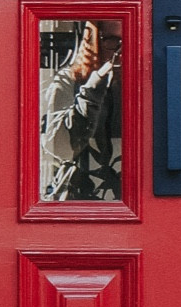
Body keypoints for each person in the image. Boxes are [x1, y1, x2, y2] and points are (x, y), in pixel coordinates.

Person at [40, 19, 122, 202]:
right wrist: (93, 90)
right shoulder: (68, 81)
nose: (121, 52)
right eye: (113, 41)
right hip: (82, 197)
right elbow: (59, 146)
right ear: (94, 42)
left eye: (127, 42)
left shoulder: (143, 84)